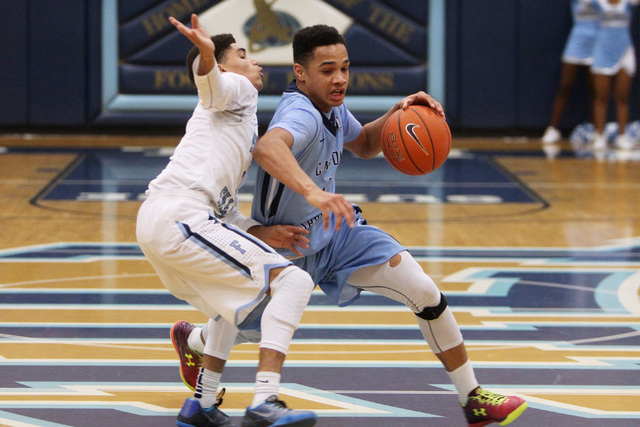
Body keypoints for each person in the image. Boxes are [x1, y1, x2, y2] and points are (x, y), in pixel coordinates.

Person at [172, 24, 529, 426]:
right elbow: (268, 147)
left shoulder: (332, 106)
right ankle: (196, 342)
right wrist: (315, 194)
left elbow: (365, 144)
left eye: (344, 67)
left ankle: (473, 399)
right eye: (327, 70)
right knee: (238, 321)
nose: (339, 78)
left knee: (425, 291)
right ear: (301, 73)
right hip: (291, 243)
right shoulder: (300, 112)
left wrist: (400, 114)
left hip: (339, 234)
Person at [135, 14, 348, 427]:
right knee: (294, 281)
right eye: (243, 55)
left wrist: (261, 232)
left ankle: (201, 404)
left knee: (229, 305)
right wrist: (206, 55)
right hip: (180, 216)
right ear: (226, 66)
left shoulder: (236, 120)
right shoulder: (236, 92)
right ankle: (265, 399)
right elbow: (211, 84)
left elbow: (226, 212)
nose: (256, 64)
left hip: (171, 221)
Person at [542, 0, 599, 144]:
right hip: (577, 39)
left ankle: (598, 132)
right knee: (565, 85)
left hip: (598, 41)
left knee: (595, 89)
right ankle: (552, 129)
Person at [590, 0, 639, 151]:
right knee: (601, 96)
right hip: (602, 50)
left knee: (623, 97)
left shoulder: (628, 2)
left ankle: (622, 136)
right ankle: (599, 135)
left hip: (624, 51)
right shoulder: (596, 2)